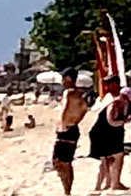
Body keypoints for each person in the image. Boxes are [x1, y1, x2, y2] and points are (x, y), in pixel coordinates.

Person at [90, 77, 131, 191]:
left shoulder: (108, 98)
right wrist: (123, 121)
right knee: (117, 157)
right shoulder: (114, 100)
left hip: (102, 132)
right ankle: (114, 183)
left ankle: (103, 185)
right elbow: (111, 120)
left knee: (107, 160)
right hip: (106, 132)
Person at [52, 68, 89, 196]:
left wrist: (62, 124)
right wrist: (76, 120)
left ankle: (67, 191)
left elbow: (65, 109)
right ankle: (67, 190)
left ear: (68, 78)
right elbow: (84, 109)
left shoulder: (68, 93)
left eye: (63, 78)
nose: (62, 80)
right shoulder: (79, 94)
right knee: (66, 162)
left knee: (59, 161)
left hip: (66, 129)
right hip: (72, 128)